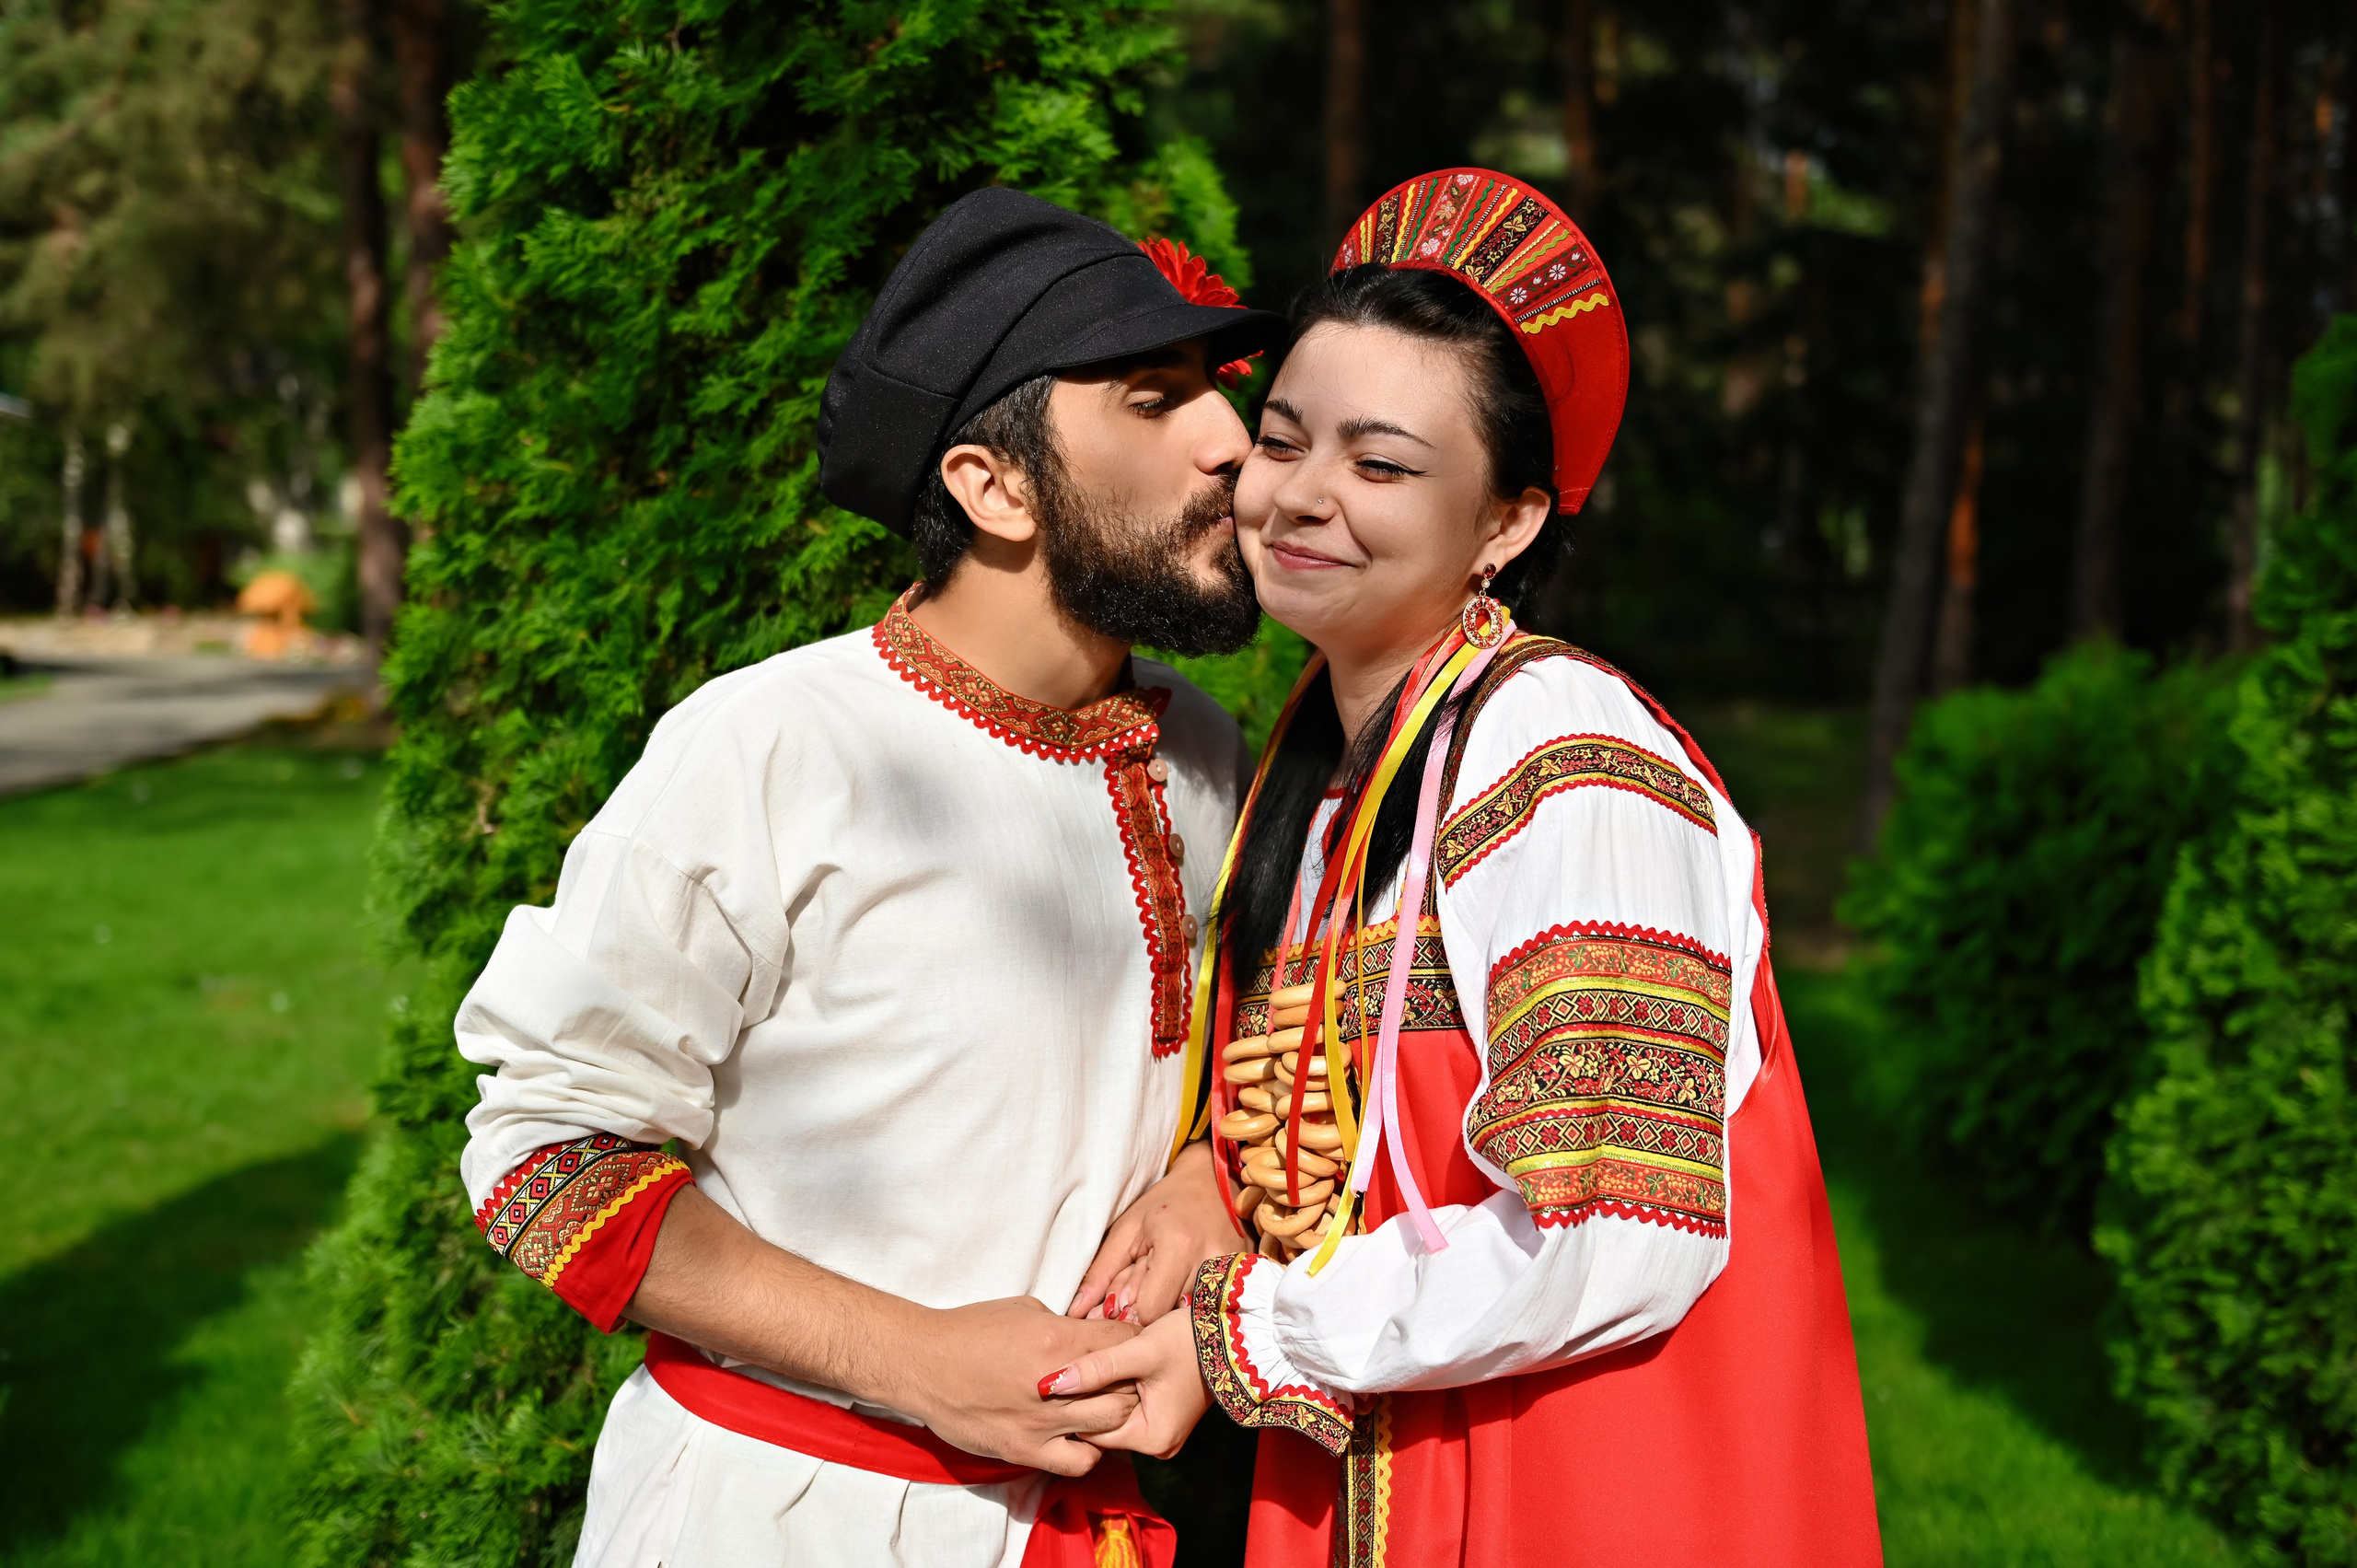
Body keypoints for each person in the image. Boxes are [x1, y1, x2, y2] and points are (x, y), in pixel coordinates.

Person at [1055, 168, 1883, 1565]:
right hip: (1389, 1468)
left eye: (1381, 466)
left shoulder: (1571, 762)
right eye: (1283, 440)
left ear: (1506, 524)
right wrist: (1214, 1175)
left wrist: (1247, 1332)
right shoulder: (1321, 774)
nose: (1304, 497)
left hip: (1583, 1496)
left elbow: (1615, 1224)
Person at [451, 187, 1283, 1568]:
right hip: (783, 1521)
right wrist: (915, 1362)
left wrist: (1204, 1178)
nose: (1230, 442)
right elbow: (544, 1159)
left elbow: (1241, 1061)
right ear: (991, 484)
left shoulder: (1201, 751)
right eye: (1153, 398)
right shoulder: (773, 746)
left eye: (1214, 390)